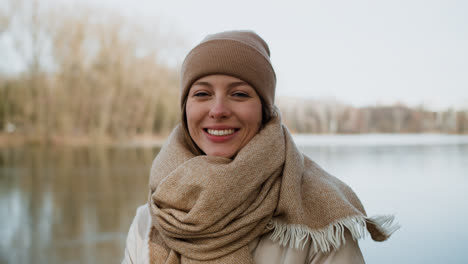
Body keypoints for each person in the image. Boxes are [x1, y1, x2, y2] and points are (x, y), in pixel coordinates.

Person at [122, 30, 398, 264]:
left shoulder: (317, 222)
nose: (218, 110)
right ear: (185, 110)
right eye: (202, 94)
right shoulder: (150, 220)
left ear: (265, 111)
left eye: (239, 94)